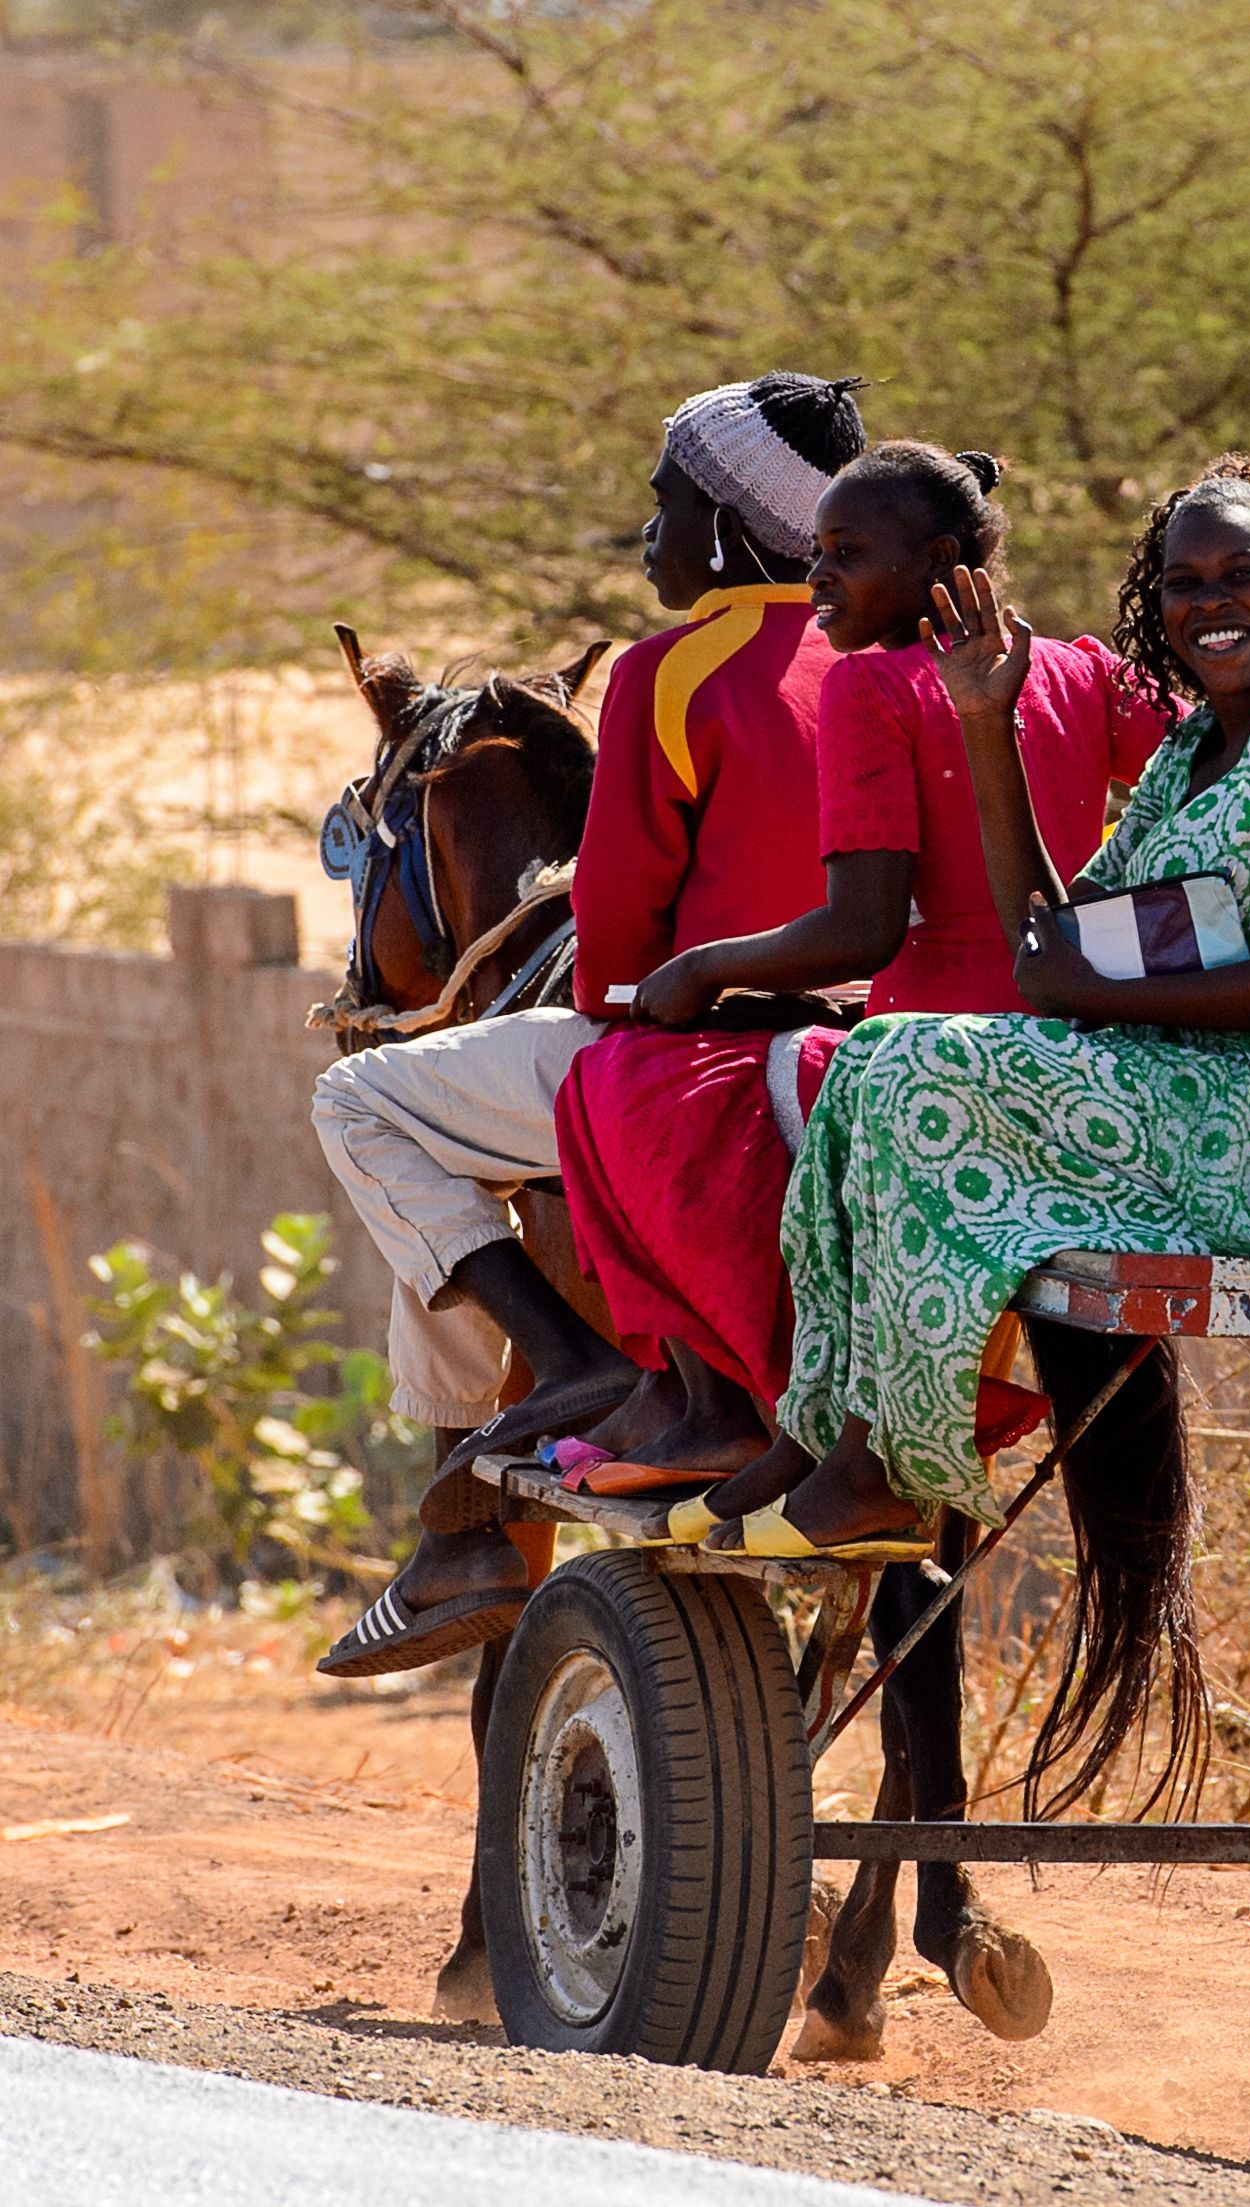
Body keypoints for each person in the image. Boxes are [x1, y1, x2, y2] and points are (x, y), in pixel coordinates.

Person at [695, 456, 1250, 1589]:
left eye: (1243, 573)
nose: (1210, 603)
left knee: (919, 1064)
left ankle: (886, 1459)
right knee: (877, 1050)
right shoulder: (1188, 752)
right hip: (1211, 1096)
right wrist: (985, 718)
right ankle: (831, 1425)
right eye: (1183, 582)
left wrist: (1107, 1002)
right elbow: (1057, 941)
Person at [309, 369, 867, 1675]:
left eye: (665, 504)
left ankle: (558, 1369)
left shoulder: (674, 675)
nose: (649, 535)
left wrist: (642, 980)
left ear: (729, 527)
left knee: (367, 1103)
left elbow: (613, 957)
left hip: (694, 1060)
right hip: (871, 1057)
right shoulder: (901, 667)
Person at [549, 441, 1163, 1487]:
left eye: (843, 553)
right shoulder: (1081, 669)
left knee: (610, 1087)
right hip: (1078, 1046)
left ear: (936, 559)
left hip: (924, 1050)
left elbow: (862, 929)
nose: (817, 575)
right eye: (817, 550)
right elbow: (1194, 768)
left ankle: (737, 1405)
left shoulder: (869, 685)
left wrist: (700, 969)